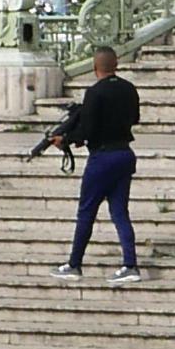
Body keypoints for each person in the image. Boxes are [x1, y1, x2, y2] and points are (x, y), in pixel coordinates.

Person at [50, 46, 142, 284]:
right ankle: (130, 265)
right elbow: (134, 119)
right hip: (124, 153)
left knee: (86, 211)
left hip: (102, 157)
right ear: (116, 65)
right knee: (120, 212)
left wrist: (67, 140)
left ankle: (74, 264)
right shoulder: (129, 89)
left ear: (95, 67)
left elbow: (87, 129)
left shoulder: (94, 92)